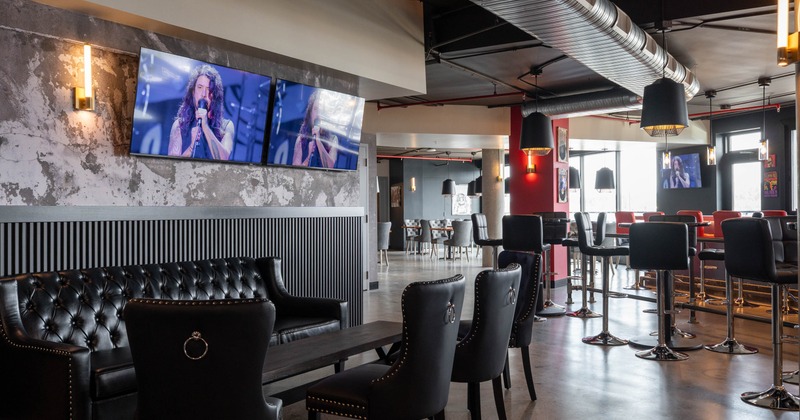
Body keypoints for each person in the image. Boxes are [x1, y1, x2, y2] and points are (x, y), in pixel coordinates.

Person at [168, 64, 234, 160]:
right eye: (199, 87)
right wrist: (191, 147)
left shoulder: (226, 126)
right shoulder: (180, 125)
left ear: (215, 94)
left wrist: (205, 127)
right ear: (193, 92)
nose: (204, 94)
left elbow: (224, 159)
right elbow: (172, 166)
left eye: (209, 89)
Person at [292, 90, 339, 168]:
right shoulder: (301, 139)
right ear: (310, 114)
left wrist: (318, 141)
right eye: (316, 109)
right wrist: (309, 156)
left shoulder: (333, 139)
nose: (318, 114)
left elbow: (329, 167)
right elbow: (295, 170)